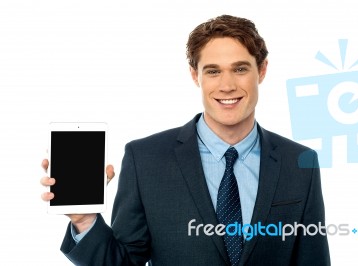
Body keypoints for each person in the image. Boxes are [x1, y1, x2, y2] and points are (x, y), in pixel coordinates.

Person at [41, 14, 330, 266]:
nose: (227, 85)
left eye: (240, 69)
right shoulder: (145, 159)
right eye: (213, 71)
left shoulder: (300, 163)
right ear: (195, 75)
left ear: (262, 70)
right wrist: (84, 221)